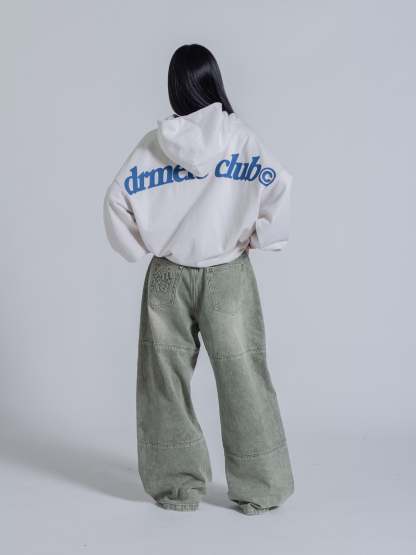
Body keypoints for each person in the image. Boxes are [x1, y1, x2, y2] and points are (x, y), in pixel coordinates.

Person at [103, 43, 294, 515]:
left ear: (175, 86)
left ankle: (176, 487)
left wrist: (137, 245)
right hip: (227, 273)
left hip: (167, 276)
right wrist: (259, 235)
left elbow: (116, 199)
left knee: (163, 382)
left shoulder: (154, 144)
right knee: (244, 377)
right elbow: (280, 184)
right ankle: (261, 488)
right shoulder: (239, 137)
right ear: (214, 80)